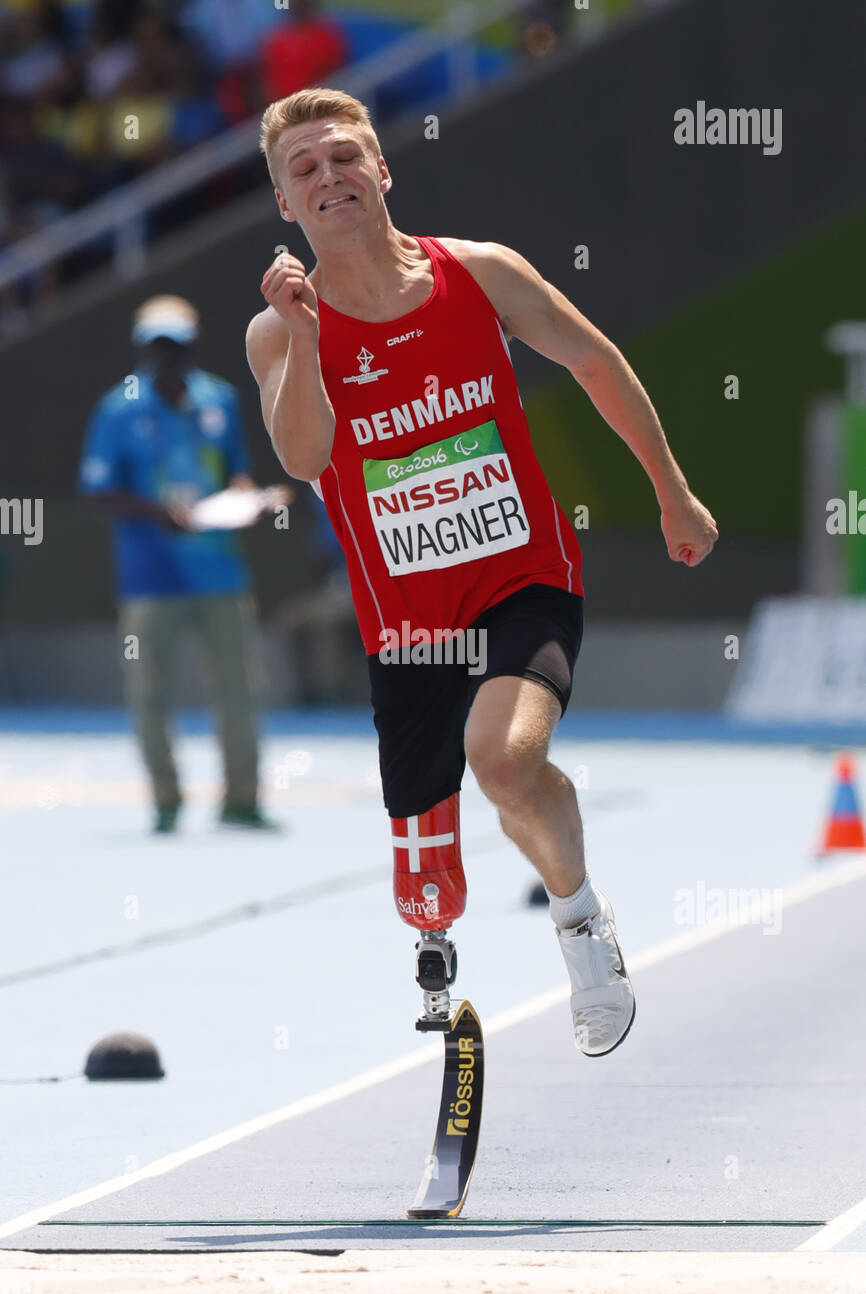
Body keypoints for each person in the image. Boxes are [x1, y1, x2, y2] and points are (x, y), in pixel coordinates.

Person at [245, 89, 718, 1054]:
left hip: (521, 575)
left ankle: (582, 925)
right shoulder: (279, 332)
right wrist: (303, 337)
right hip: (406, 618)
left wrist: (672, 489)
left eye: (345, 157)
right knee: (424, 883)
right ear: (286, 207)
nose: (328, 176)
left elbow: (594, 359)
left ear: (383, 171)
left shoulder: (481, 273)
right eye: (305, 169)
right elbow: (302, 459)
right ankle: (440, 947)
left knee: (503, 758)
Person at [80, 294, 286, 833]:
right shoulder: (118, 407)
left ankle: (241, 800)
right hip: (150, 578)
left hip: (221, 571)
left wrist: (249, 498)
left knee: (240, 689)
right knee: (151, 696)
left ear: (191, 344)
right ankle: (166, 803)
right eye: (156, 345)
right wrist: (155, 513)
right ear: (142, 348)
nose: (166, 355)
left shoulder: (219, 398)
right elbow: (99, 490)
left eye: (175, 344)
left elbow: (237, 469)